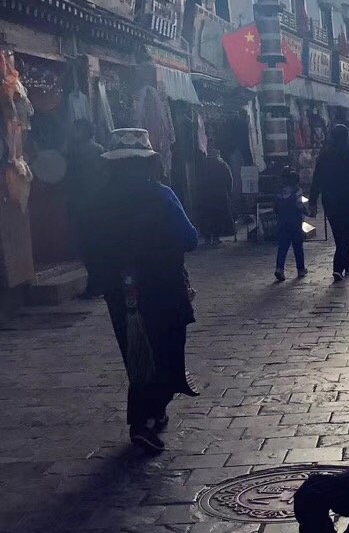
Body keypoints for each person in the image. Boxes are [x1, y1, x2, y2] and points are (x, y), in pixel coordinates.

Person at [93, 128, 199, 455]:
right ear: (147, 162)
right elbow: (189, 238)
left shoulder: (100, 200)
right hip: (163, 286)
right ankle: (146, 417)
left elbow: (90, 246)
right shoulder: (161, 194)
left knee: (137, 352)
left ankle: (151, 414)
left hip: (120, 291)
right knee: (165, 349)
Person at [310, 123, 349, 282]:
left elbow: (317, 179)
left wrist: (313, 200)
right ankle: (338, 267)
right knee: (345, 234)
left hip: (330, 201)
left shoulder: (324, 156)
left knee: (338, 233)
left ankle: (347, 263)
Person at [65, 121, 106, 297]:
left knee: (88, 247)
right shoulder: (99, 150)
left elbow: (69, 180)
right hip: (97, 205)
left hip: (83, 206)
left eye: (76, 129)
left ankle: (95, 285)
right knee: (96, 247)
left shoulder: (75, 153)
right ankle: (98, 284)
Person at [194, 145, 234, 248]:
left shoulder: (202, 166)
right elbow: (230, 180)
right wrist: (228, 193)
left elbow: (198, 181)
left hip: (205, 197)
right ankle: (216, 238)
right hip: (219, 196)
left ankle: (207, 238)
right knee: (217, 218)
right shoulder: (223, 165)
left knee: (207, 218)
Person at [273, 169, 307, 282]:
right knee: (298, 247)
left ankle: (279, 268)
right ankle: (301, 269)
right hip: (295, 223)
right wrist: (308, 213)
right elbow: (300, 206)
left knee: (282, 247)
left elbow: (276, 208)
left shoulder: (280, 192)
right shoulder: (297, 191)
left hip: (282, 222)